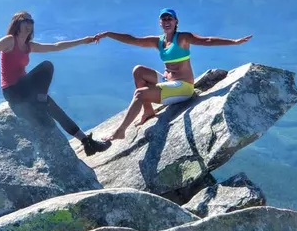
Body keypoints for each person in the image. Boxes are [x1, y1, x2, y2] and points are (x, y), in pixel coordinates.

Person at [0, 11, 111, 155]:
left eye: (31, 21)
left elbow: (56, 46)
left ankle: (86, 142)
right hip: (12, 90)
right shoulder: (9, 41)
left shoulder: (29, 45)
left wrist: (83, 40)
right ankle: (41, 103)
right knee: (47, 67)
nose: (29, 24)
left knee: (54, 108)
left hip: (25, 89)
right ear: (17, 24)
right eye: (25, 20)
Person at [96, 8, 252, 141]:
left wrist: (234, 42)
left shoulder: (183, 38)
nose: (166, 21)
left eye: (170, 18)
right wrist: (109, 34)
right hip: (167, 81)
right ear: (160, 23)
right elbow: (134, 40)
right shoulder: (159, 41)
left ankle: (120, 131)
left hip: (183, 88)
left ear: (176, 21)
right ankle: (148, 110)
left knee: (140, 93)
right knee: (138, 70)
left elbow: (207, 40)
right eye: (163, 19)